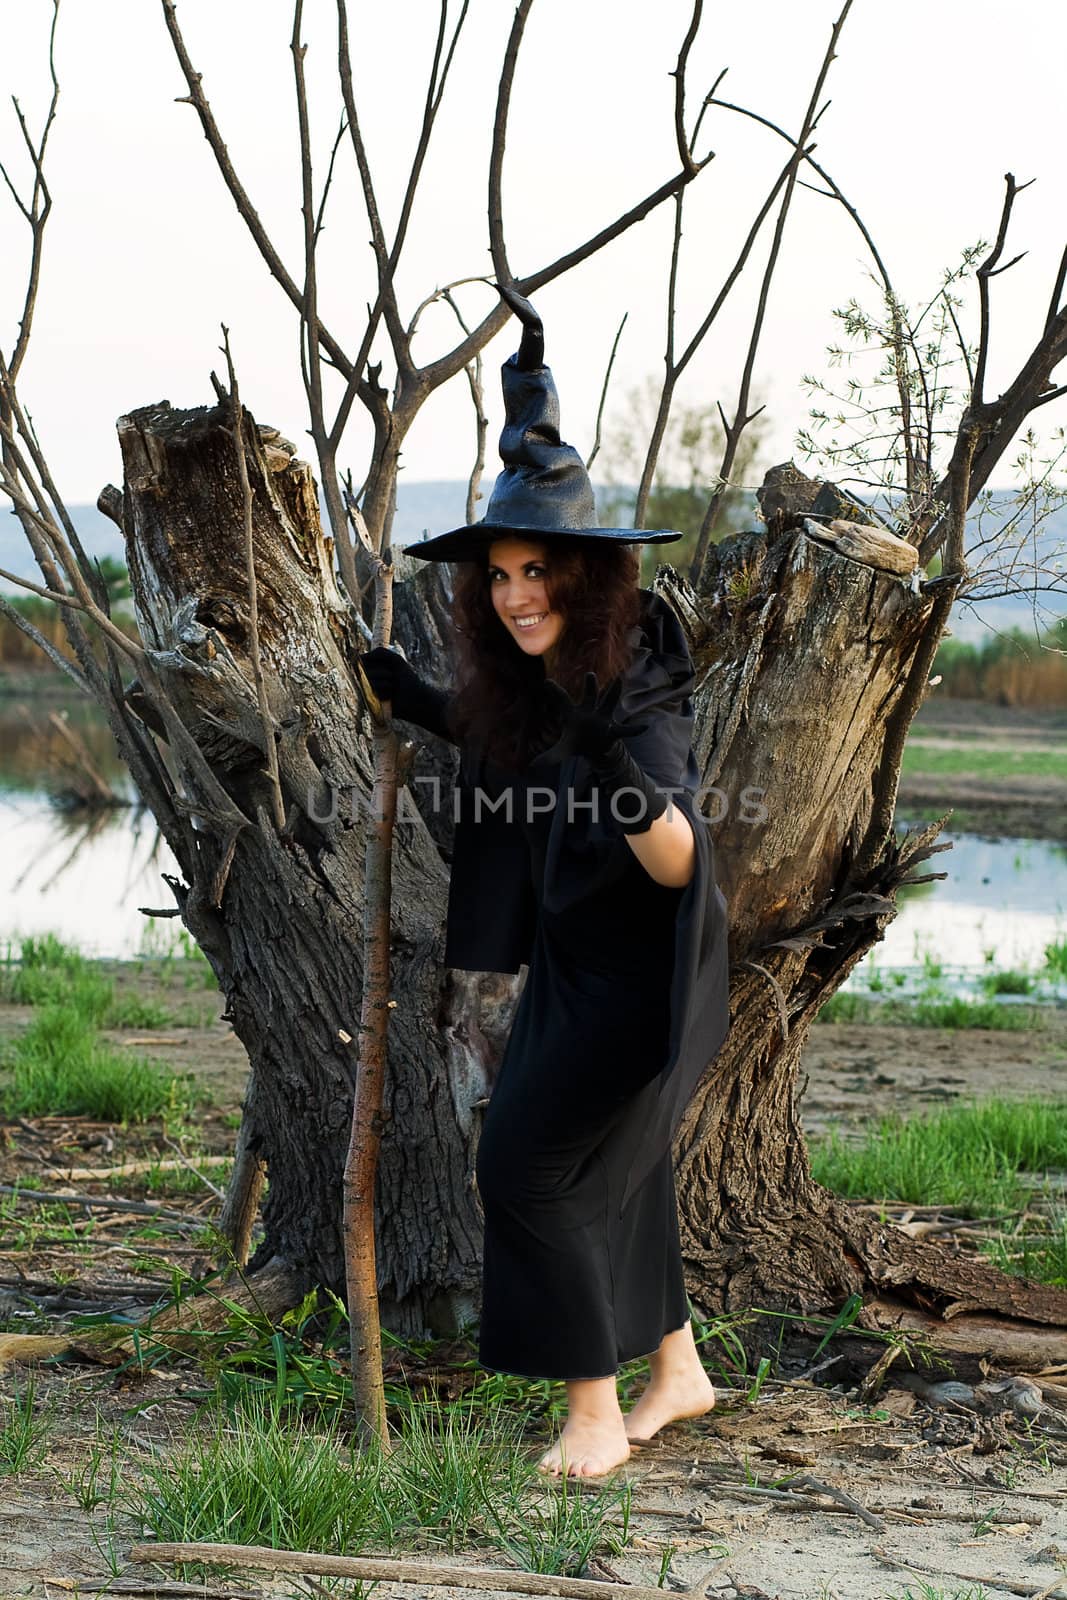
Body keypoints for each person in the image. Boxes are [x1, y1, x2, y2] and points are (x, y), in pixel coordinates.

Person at [357, 289, 730, 1479]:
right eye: (502, 573)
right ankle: (677, 1372)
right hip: (577, 965)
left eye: (539, 571)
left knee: (523, 1165)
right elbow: (502, 742)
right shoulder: (530, 683)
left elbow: (677, 857)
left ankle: (593, 1410)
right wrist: (417, 699)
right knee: (621, 1170)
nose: (517, 592)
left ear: (585, 575)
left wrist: (614, 753)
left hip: (640, 982)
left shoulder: (630, 689)